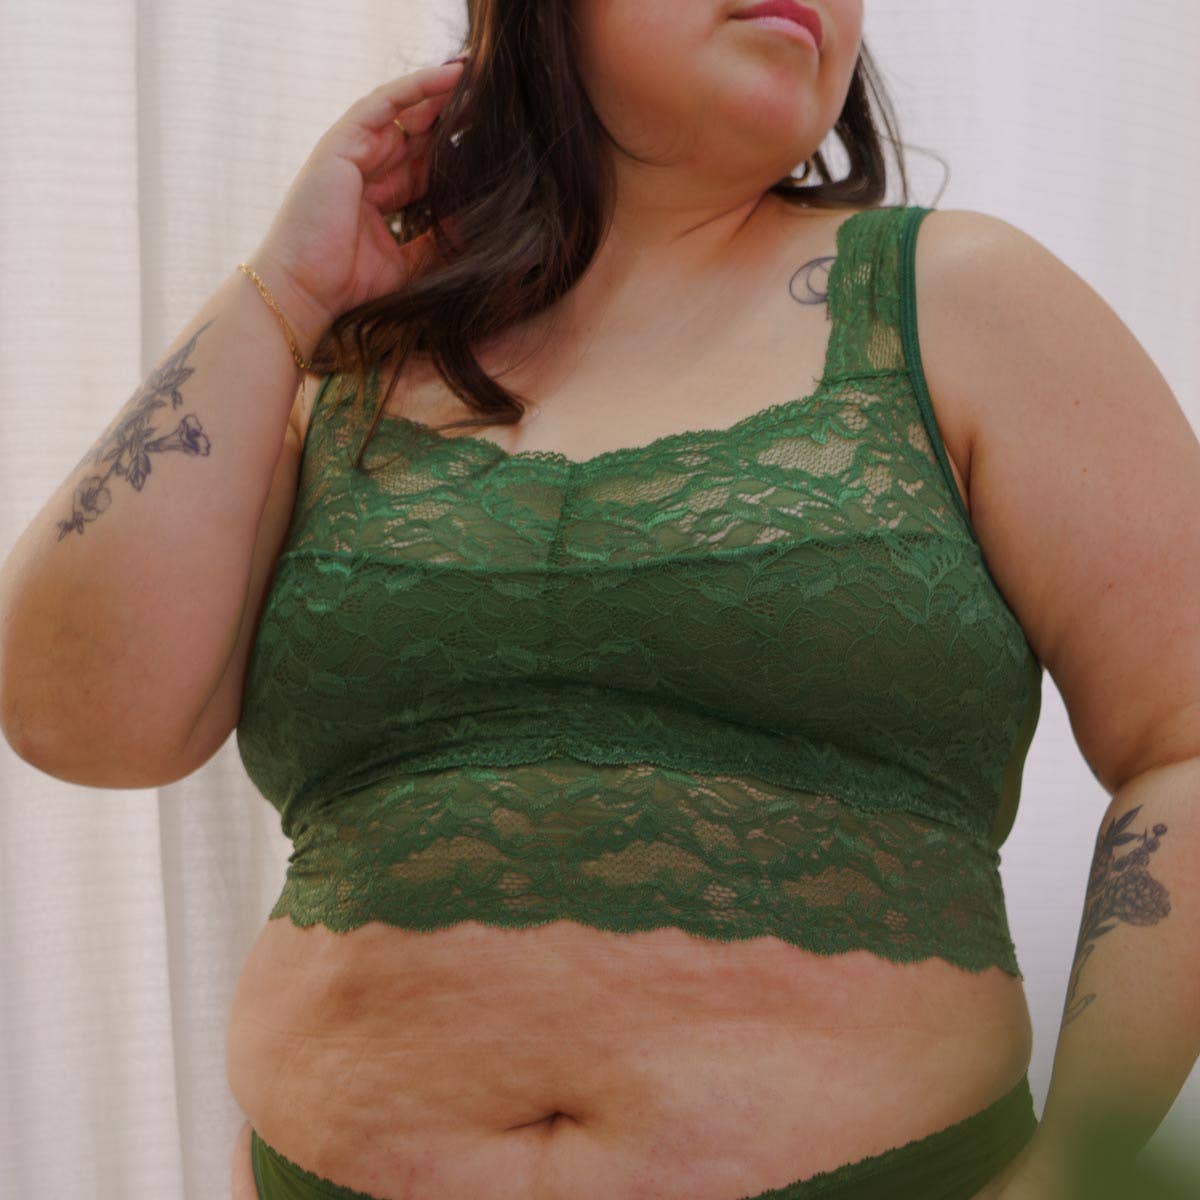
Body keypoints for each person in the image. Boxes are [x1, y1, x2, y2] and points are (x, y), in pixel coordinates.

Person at [5, 2, 1195, 1199]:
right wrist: (287, 288)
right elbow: (80, 716)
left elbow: (1186, 743)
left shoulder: (964, 302)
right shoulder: (352, 362)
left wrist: (1078, 1173)